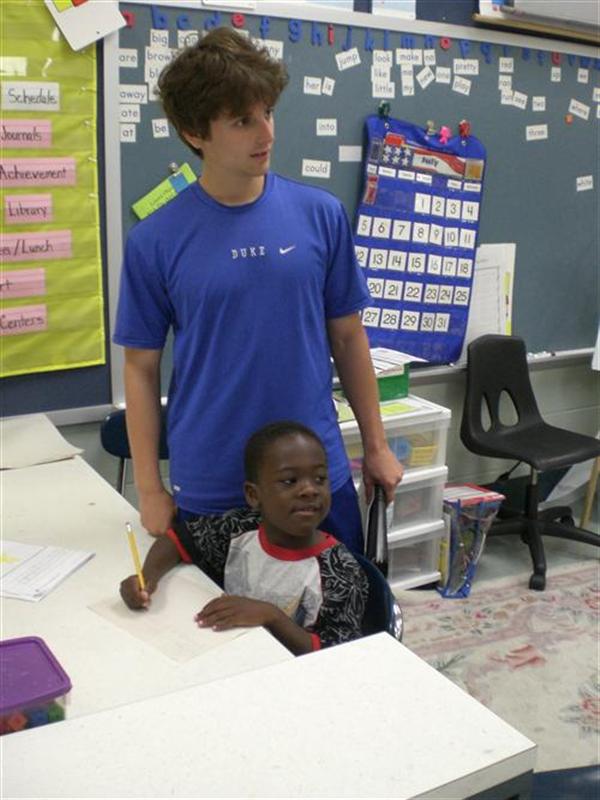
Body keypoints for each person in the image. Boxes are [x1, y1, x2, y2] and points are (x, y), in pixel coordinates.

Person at [113, 27, 403, 553]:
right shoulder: (154, 240)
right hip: (213, 480)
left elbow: (348, 338)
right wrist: (150, 488)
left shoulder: (321, 216)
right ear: (194, 133)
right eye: (242, 121)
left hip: (314, 475)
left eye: (268, 112)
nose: (265, 132)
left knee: (337, 604)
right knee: (222, 609)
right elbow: (140, 368)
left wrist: (377, 446)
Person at [120, 421, 369, 655]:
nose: (309, 490)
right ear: (253, 495)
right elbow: (176, 540)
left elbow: (338, 655)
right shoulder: (239, 529)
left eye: (319, 479)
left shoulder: (339, 571)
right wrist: (147, 578)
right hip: (233, 656)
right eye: (290, 481)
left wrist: (271, 617)